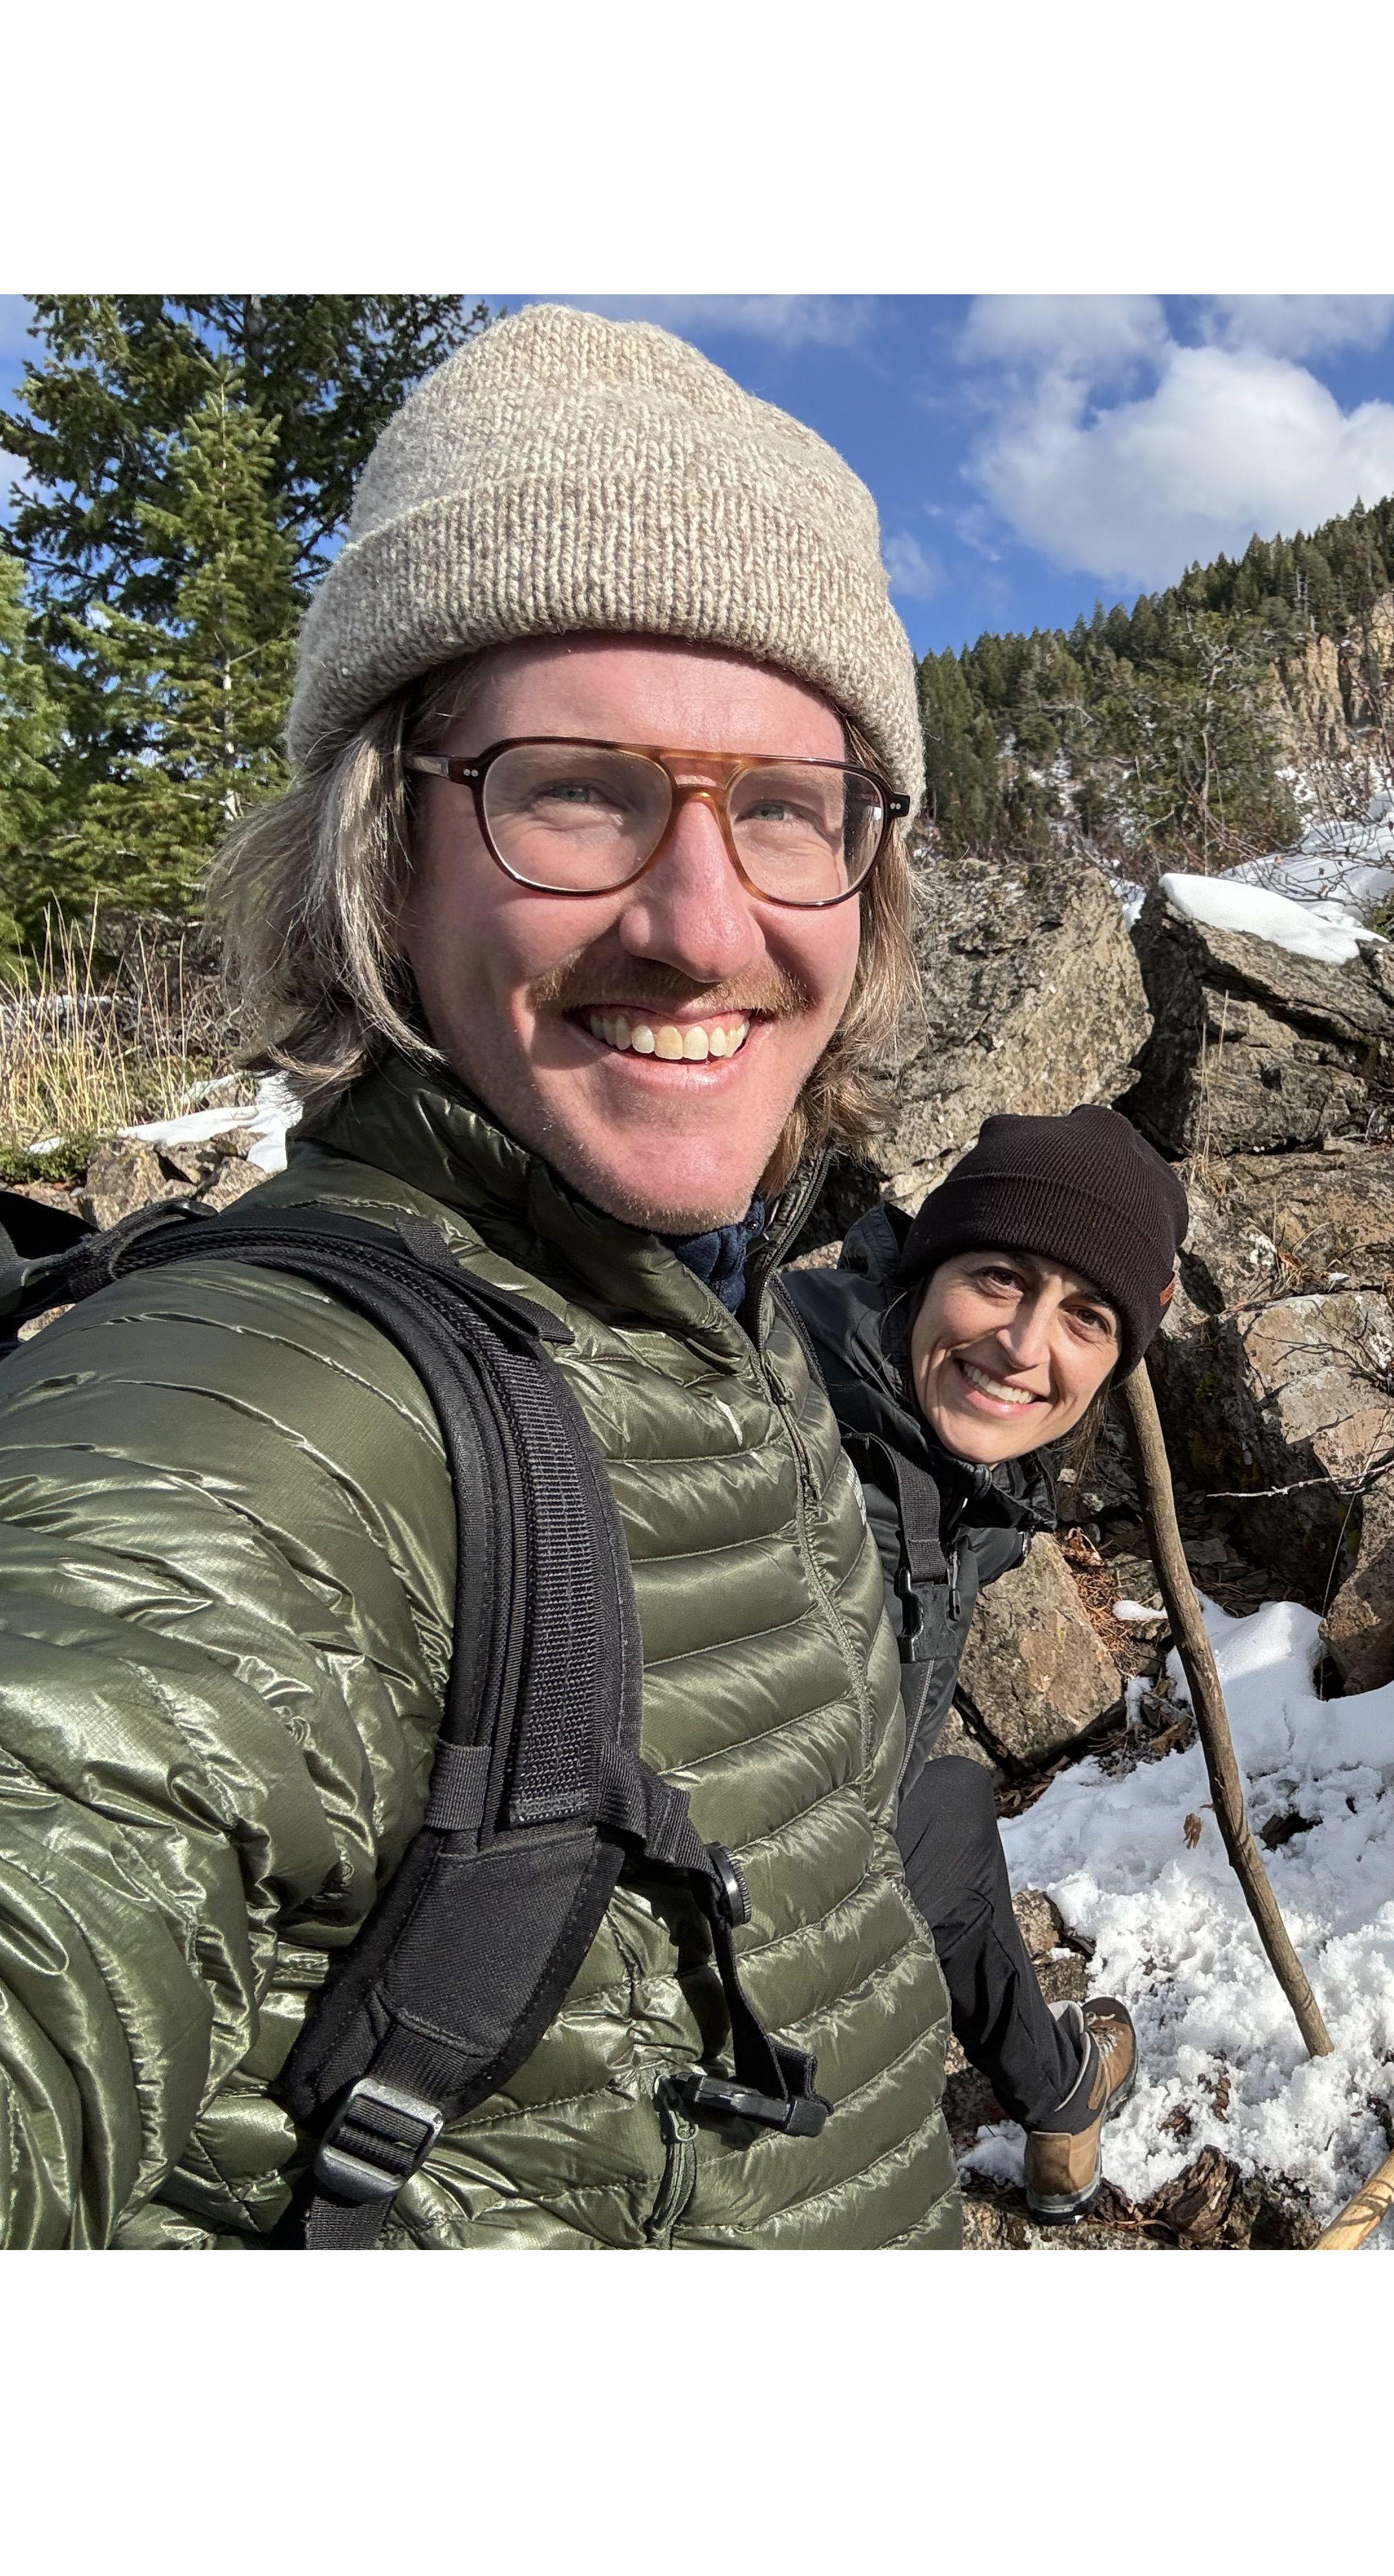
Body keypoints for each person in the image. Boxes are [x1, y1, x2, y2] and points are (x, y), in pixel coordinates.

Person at [0, 305, 961, 2246]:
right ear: (384, 855)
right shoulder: (264, 1418)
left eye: (786, 808)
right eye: (576, 790)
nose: (702, 927)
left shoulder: (726, 1315)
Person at [785, 1107, 1188, 2222]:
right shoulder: (785, 1432)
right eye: (1002, 1278)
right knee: (942, 1829)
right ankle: (1063, 2111)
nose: (1025, 1347)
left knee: (945, 1809)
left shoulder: (931, 1440)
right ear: (927, 1266)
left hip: (852, 1818)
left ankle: (1060, 2106)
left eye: (1086, 1316)